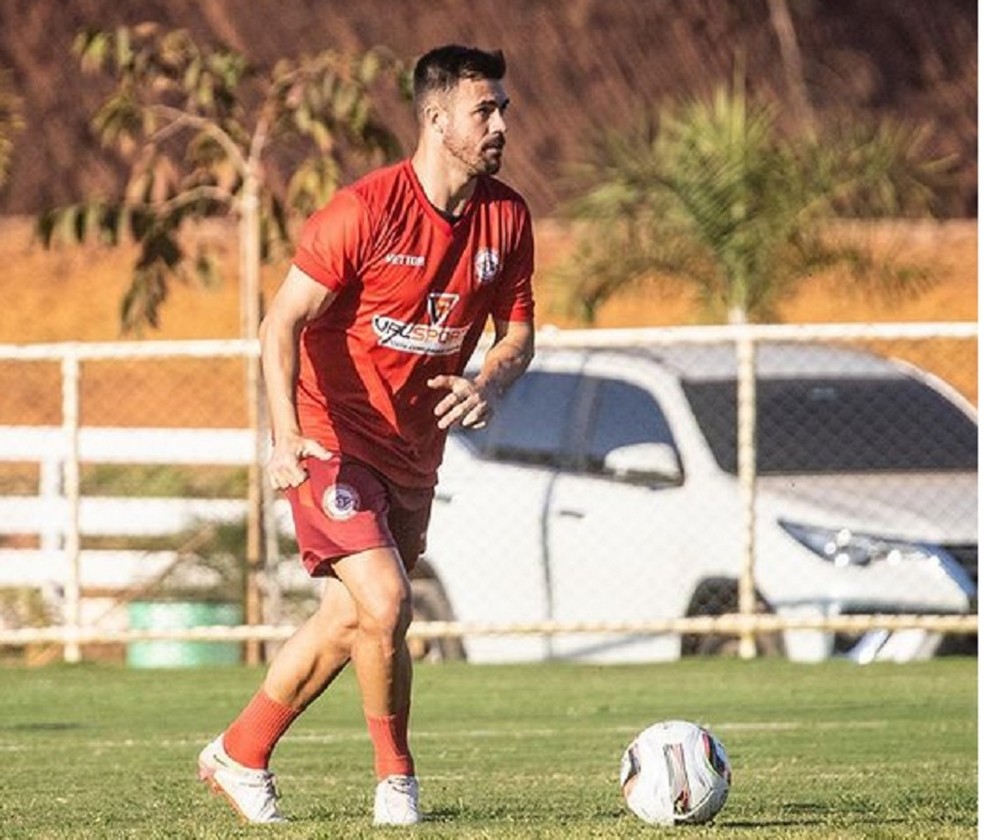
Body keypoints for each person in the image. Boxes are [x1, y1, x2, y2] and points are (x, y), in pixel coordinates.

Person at [197, 44, 536, 826]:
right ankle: (397, 786)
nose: (500, 124)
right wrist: (284, 438)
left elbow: (518, 337)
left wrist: (489, 380)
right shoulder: (364, 211)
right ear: (436, 117)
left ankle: (240, 753)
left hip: (413, 452)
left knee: (353, 619)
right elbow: (279, 322)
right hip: (329, 436)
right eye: (485, 110)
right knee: (384, 603)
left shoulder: (506, 217)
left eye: (503, 110)